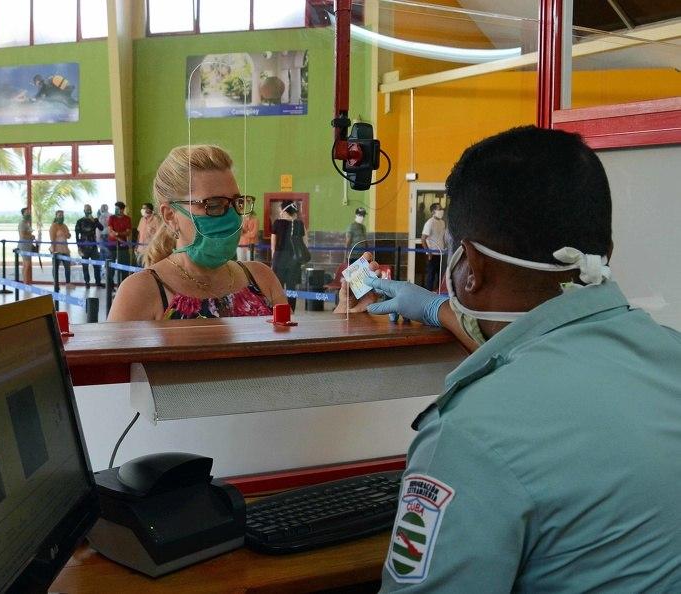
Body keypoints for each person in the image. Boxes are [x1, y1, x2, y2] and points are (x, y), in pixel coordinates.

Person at [347, 127, 681, 592]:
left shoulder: (470, 435)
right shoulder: (670, 355)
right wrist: (432, 308)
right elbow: (539, 343)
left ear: (468, 268)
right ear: (604, 254)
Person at [109, 144, 287, 322]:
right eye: (213, 204)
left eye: (236, 202)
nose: (231, 216)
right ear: (170, 215)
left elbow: (289, 347)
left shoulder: (262, 279)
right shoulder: (141, 292)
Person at [270, 200, 307, 312]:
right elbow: (305, 244)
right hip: (294, 260)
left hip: (279, 258)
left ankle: (279, 311)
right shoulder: (300, 224)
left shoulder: (277, 223)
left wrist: (274, 261)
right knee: (291, 288)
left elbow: (273, 245)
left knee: (278, 286)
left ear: (284, 210)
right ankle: (291, 311)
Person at [75, 204, 103, 288]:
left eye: (90, 209)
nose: (88, 211)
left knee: (96, 265)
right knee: (85, 266)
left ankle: (98, 282)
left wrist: (95, 221)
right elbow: (77, 235)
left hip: (94, 246)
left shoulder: (94, 220)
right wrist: (78, 247)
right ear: (84, 211)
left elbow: (101, 228)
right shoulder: (80, 221)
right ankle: (87, 282)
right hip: (83, 247)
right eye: (87, 209)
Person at [421, 203, 446, 291]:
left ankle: (438, 293)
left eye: (441, 209)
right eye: (439, 209)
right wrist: (429, 252)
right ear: (433, 211)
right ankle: (428, 293)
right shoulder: (430, 222)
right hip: (432, 254)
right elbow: (423, 239)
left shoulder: (442, 222)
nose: (441, 211)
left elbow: (442, 237)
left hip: (441, 253)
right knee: (431, 276)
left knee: (440, 276)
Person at [108, 201, 132, 286]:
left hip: (123, 245)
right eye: (115, 208)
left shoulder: (127, 219)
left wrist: (118, 234)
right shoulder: (112, 218)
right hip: (112, 245)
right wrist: (119, 237)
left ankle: (123, 285)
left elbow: (128, 232)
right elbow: (110, 231)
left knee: (124, 266)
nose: (116, 210)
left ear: (122, 209)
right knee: (111, 266)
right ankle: (110, 286)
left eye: (118, 209)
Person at [49, 210, 72, 285]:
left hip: (65, 250)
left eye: (62, 215)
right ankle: (56, 283)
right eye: (59, 215)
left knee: (68, 268)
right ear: (56, 216)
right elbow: (52, 239)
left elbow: (69, 236)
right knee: (55, 268)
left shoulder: (64, 225)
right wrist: (54, 251)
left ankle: (68, 283)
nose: (61, 217)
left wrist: (67, 234)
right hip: (56, 250)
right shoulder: (53, 226)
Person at [136, 202, 160, 267]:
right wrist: (136, 246)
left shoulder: (156, 219)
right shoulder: (142, 219)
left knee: (147, 268)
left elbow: (159, 235)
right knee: (139, 268)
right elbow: (139, 234)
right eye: (142, 208)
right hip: (140, 249)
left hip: (150, 249)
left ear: (149, 210)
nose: (142, 210)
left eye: (144, 208)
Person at [17, 207, 35, 285]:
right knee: (27, 265)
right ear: (23, 214)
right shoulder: (22, 223)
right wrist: (31, 236)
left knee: (25, 265)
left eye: (29, 212)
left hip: (28, 246)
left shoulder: (27, 223)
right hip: (24, 246)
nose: (28, 214)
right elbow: (22, 235)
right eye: (27, 212)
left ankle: (25, 282)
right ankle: (25, 283)